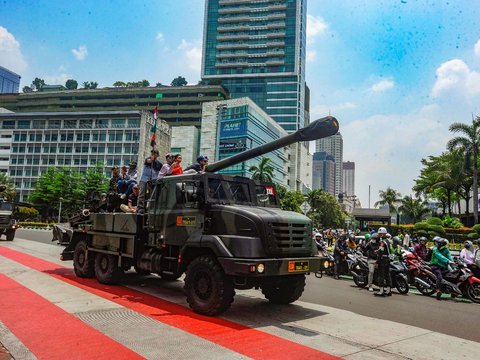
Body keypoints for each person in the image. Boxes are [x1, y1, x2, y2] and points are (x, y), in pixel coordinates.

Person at [137, 149, 162, 214]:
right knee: (142, 194)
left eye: (155, 153)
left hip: (153, 180)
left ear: (158, 155)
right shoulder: (148, 159)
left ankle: (150, 208)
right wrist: (152, 159)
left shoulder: (159, 164)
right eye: (152, 153)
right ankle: (140, 208)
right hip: (144, 179)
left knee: (151, 195)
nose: (153, 154)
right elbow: (149, 161)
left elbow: (161, 172)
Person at [375, 227, 392, 296]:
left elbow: (381, 252)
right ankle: (388, 291)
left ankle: (381, 291)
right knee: (388, 275)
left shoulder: (382, 242)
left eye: (379, 234)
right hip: (388, 260)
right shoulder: (388, 241)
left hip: (382, 260)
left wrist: (377, 262)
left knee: (381, 275)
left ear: (382, 234)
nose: (379, 235)